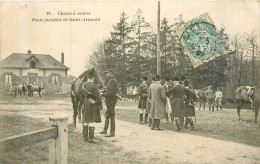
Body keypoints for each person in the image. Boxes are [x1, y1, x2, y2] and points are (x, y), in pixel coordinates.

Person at [81, 71, 103, 143]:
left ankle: (85, 138)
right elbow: (98, 97)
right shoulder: (94, 86)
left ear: (87, 77)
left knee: (86, 120)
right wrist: (100, 104)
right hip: (93, 104)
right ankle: (91, 138)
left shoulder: (83, 85)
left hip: (85, 103)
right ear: (93, 78)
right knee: (92, 120)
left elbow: (82, 96)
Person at [100, 69, 118, 137]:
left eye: (107, 73)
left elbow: (111, 93)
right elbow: (110, 90)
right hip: (110, 101)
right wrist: (104, 91)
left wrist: (103, 94)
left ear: (111, 73)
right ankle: (105, 130)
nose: (106, 74)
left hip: (111, 101)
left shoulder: (112, 81)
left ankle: (112, 132)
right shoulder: (111, 80)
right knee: (107, 115)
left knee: (111, 116)